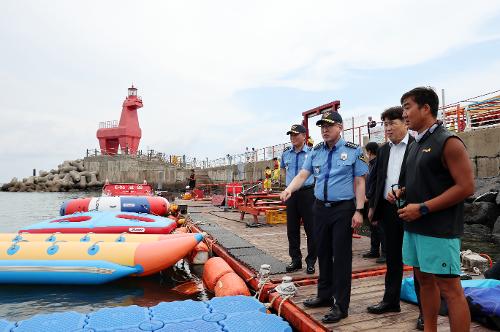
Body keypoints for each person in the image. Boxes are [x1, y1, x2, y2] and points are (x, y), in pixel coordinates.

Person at [280, 111, 368, 323]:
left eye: (329, 125)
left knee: (341, 256)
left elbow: (360, 182)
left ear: (340, 127)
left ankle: (341, 304)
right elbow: (303, 174)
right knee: (323, 251)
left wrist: (359, 210)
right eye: (322, 126)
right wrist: (290, 189)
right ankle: (324, 294)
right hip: (320, 208)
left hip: (343, 209)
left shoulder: (354, 151)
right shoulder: (316, 151)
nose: (325, 130)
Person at [398, 87, 474, 332]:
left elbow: (466, 187)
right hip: (415, 226)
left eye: (408, 107)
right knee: (424, 282)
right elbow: (424, 182)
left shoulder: (448, 141)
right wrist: (402, 193)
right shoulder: (415, 144)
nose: (404, 113)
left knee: (451, 290)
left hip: (439, 230)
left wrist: (422, 208)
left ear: (426, 108)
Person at [365, 106, 423, 330]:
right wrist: (374, 207)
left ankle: (424, 310)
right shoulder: (383, 151)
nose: (388, 128)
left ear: (405, 123)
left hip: (413, 209)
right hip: (389, 210)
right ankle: (390, 301)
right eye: (385, 124)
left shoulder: (417, 146)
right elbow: (379, 179)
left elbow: (421, 178)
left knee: (418, 262)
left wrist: (404, 191)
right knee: (392, 258)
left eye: (392, 123)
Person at [280, 124, 316, 274]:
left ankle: (311, 261)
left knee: (311, 229)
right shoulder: (286, 154)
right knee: (292, 229)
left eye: (296, 135)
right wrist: (286, 186)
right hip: (291, 195)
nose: (293, 138)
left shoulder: (312, 153)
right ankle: (296, 260)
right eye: (291, 135)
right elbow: (282, 170)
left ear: (304, 136)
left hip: (308, 193)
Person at [362, 141, 386, 263]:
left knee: (380, 227)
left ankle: (385, 253)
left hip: (376, 200)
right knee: (373, 227)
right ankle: (374, 250)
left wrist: (369, 196)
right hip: (370, 199)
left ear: (369, 151)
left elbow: (376, 183)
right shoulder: (371, 164)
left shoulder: (377, 164)